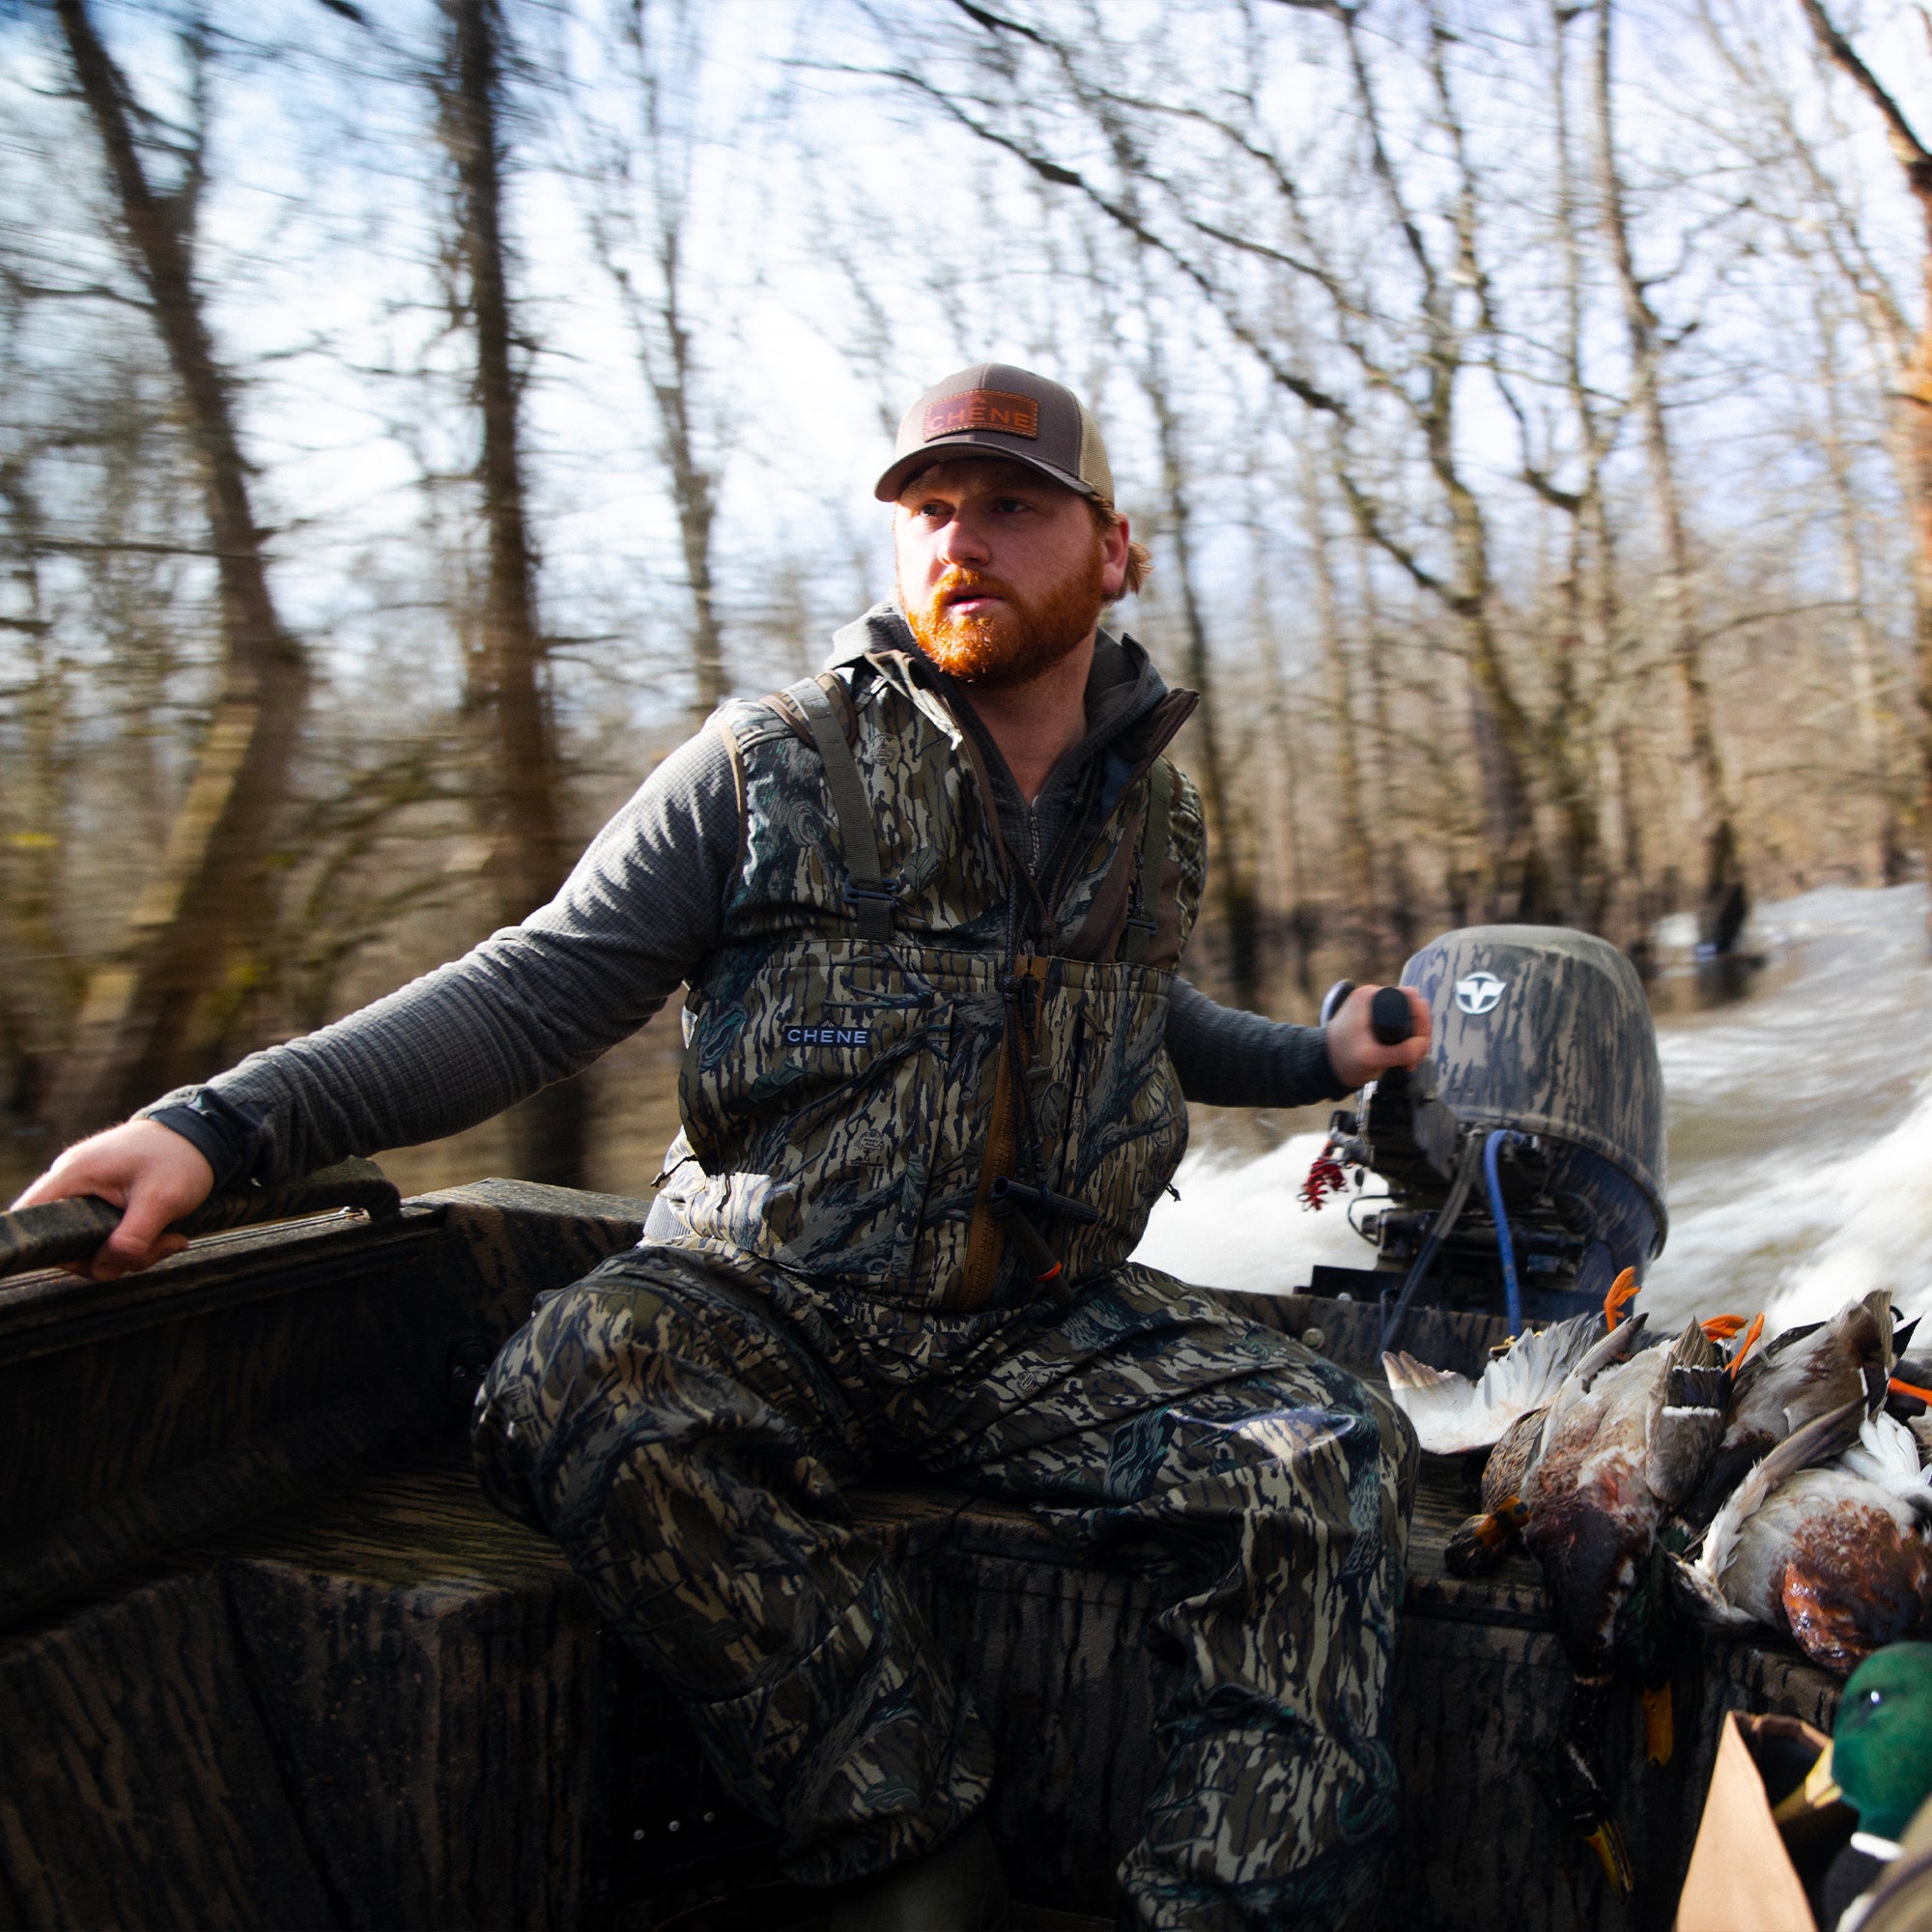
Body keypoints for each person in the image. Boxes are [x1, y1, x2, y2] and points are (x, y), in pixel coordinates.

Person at [15, 363, 1427, 1930]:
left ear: (1113, 551)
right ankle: (911, 1851)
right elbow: (535, 987)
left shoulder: (1150, 812)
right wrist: (217, 1129)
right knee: (575, 1374)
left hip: (1040, 1318)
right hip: (774, 1293)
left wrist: (1324, 1057)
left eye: (1015, 506)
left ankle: (1235, 1907)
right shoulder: (775, 764)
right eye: (929, 509)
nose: (963, 538)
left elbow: (1148, 1018)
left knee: (1324, 1451)